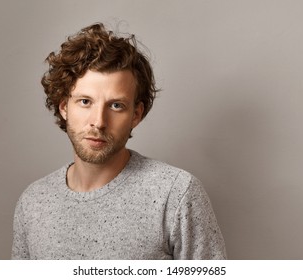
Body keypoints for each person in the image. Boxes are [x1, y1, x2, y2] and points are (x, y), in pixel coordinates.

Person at [12, 23, 226, 260]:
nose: (99, 121)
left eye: (116, 105)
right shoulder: (33, 202)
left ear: (136, 114)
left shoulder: (176, 194)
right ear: (64, 107)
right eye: (85, 102)